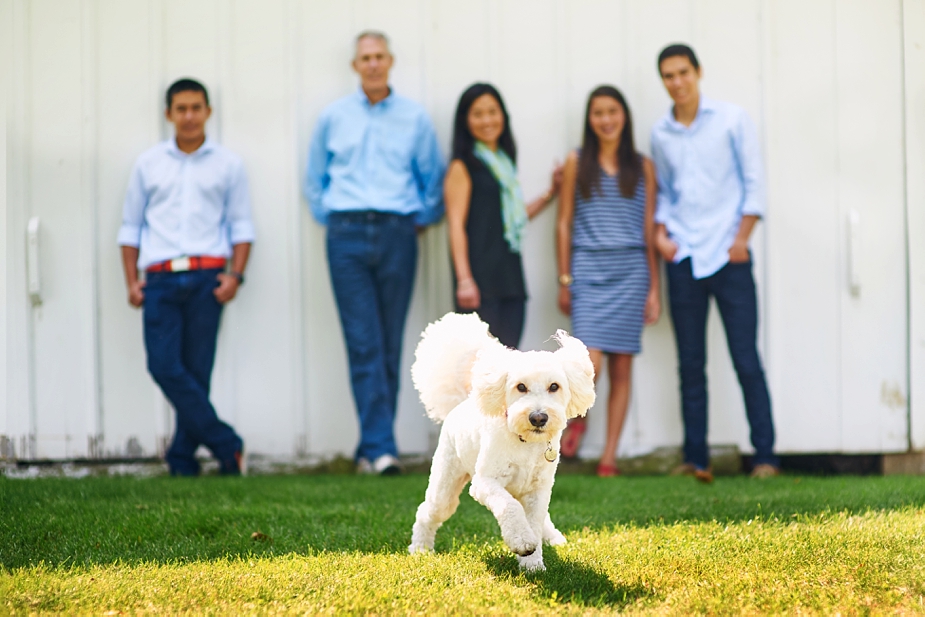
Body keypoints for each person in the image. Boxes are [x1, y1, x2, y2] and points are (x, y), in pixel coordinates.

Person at [303, 31, 445, 476]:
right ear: (354, 65)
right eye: (365, 57)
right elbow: (314, 182)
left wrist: (411, 220)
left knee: (388, 341)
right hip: (345, 235)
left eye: (379, 56)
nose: (372, 64)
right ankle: (381, 448)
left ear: (391, 61)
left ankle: (373, 447)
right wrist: (338, 218)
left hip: (396, 232)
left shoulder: (414, 118)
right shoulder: (332, 117)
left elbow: (432, 183)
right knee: (363, 341)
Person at [650, 44, 779, 482]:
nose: (677, 82)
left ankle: (765, 457)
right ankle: (696, 459)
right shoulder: (661, 132)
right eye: (668, 76)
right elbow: (667, 191)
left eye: (683, 72)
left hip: (729, 254)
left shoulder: (731, 119)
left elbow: (754, 182)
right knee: (690, 363)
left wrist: (741, 240)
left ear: (698, 72)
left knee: (746, 357)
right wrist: (662, 234)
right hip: (684, 255)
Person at [118, 78, 252, 476]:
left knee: (196, 371)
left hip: (208, 277)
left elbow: (242, 226)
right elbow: (130, 227)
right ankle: (227, 444)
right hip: (158, 280)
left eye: (197, 107)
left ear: (208, 111)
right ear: (169, 114)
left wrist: (236, 277)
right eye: (182, 109)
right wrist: (131, 279)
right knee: (164, 366)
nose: (189, 116)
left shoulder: (228, 164)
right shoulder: (149, 164)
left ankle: (181, 460)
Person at [555, 86, 660, 477]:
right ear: (589, 119)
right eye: (598, 113)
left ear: (624, 116)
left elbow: (649, 230)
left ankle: (609, 457)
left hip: (632, 271)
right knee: (588, 365)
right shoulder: (576, 161)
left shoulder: (643, 165)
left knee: (621, 368)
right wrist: (564, 278)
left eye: (612, 111)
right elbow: (563, 223)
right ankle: (576, 420)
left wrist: (654, 288)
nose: (606, 120)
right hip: (589, 269)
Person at [444, 83, 561, 349]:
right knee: (482, 372)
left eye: (492, 112)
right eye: (477, 114)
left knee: (510, 365)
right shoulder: (462, 166)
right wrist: (464, 280)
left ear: (503, 116)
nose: (487, 120)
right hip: (479, 283)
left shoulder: (504, 165)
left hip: (509, 278)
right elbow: (455, 226)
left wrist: (550, 194)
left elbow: (513, 216)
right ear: (465, 121)